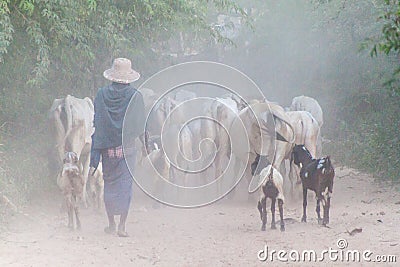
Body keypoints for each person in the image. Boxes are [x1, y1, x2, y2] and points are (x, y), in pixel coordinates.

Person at [89, 57, 146, 237]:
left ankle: (111, 224)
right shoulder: (135, 96)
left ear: (112, 76)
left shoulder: (101, 94)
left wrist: (96, 151)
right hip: (127, 150)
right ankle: (122, 226)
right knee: (125, 187)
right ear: (129, 76)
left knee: (110, 185)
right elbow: (140, 124)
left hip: (107, 150)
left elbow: (97, 121)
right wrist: (146, 145)